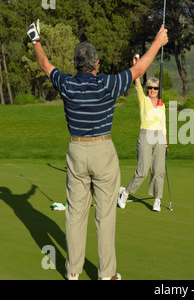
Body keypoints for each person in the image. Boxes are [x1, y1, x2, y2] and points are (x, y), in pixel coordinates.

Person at [26, 19, 168, 280]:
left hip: (77, 152)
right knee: (105, 217)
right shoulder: (108, 84)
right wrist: (157, 43)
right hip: (103, 151)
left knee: (75, 216)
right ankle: (106, 275)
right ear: (96, 64)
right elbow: (138, 70)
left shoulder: (67, 85)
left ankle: (72, 272)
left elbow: (45, 65)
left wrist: (35, 39)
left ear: (74, 64)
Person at [117, 55, 167, 212]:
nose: (152, 90)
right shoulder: (143, 100)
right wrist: (137, 65)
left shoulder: (162, 105)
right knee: (143, 170)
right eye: (150, 88)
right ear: (147, 90)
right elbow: (137, 81)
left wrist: (166, 142)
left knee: (159, 171)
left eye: (155, 88)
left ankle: (157, 199)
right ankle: (125, 193)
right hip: (145, 135)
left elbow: (163, 125)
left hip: (159, 137)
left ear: (159, 90)